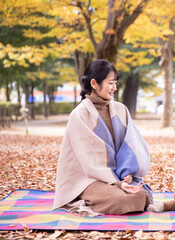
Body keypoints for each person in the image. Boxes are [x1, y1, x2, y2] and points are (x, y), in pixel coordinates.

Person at [53, 59, 152, 216]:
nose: (115, 88)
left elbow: (132, 144)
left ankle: (109, 195)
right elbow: (90, 160)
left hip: (117, 176)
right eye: (111, 83)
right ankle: (83, 199)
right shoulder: (79, 115)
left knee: (140, 195)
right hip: (88, 179)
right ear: (94, 83)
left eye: (115, 83)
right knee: (125, 200)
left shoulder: (121, 110)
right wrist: (117, 183)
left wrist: (126, 172)